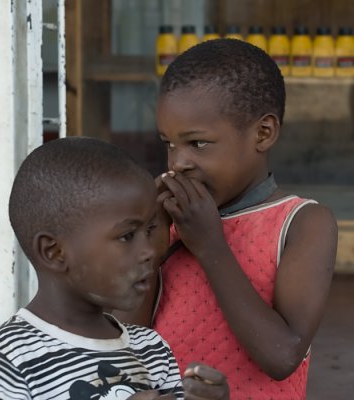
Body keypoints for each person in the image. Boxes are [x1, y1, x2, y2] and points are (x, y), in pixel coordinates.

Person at [116, 39, 338, 400]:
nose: (178, 163)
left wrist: (209, 245)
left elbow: (282, 356)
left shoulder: (303, 223)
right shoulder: (170, 223)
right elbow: (128, 342)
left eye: (198, 144)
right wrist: (151, 246)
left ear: (263, 133)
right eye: (169, 143)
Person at [0, 137, 229, 400]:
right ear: (55, 252)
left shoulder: (150, 348)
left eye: (150, 230)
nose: (148, 251)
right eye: (127, 236)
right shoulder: (11, 357)